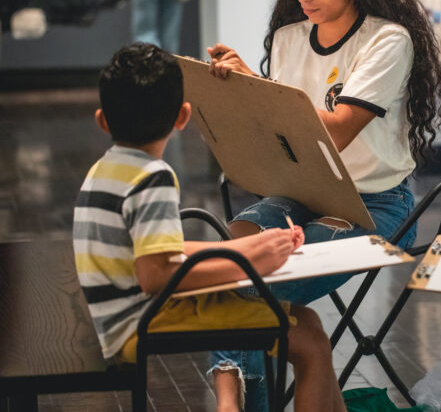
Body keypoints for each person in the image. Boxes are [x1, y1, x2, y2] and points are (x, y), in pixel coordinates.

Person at [205, 0, 441, 409]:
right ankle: (301, 354)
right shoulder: (288, 37)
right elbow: (280, 130)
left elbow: (334, 131)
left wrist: (263, 95)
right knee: (226, 263)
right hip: (298, 194)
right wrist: (244, 92)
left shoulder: (387, 39)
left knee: (254, 287)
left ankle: (237, 404)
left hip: (373, 205)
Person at [73, 43, 345, 412]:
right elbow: (155, 275)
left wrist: (251, 248)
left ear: (102, 120)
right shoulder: (153, 177)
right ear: (183, 116)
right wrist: (251, 268)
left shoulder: (104, 170)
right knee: (310, 343)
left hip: (117, 318)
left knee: (307, 321)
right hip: (141, 322)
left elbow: (158, 252)